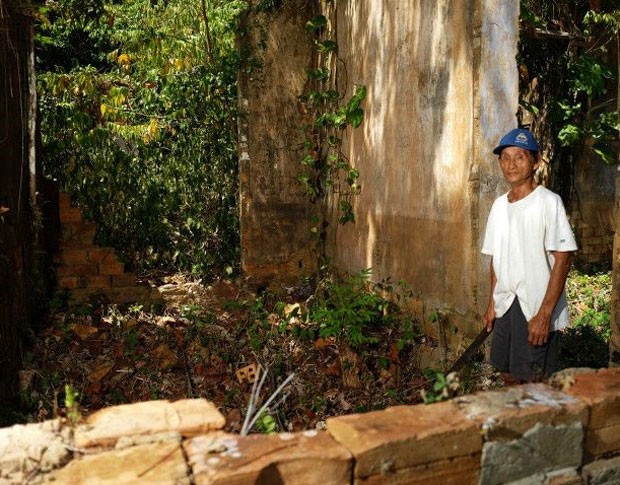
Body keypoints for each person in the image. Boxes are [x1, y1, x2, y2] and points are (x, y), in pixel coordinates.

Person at [481, 128, 577, 384]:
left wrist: (545, 315)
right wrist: (492, 303)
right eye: (505, 157)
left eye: (519, 157)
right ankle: (519, 419)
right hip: (506, 303)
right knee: (506, 371)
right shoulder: (499, 205)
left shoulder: (548, 202)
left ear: (535, 162)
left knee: (535, 380)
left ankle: (538, 422)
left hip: (535, 306)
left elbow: (563, 258)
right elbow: (496, 259)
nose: (511, 164)